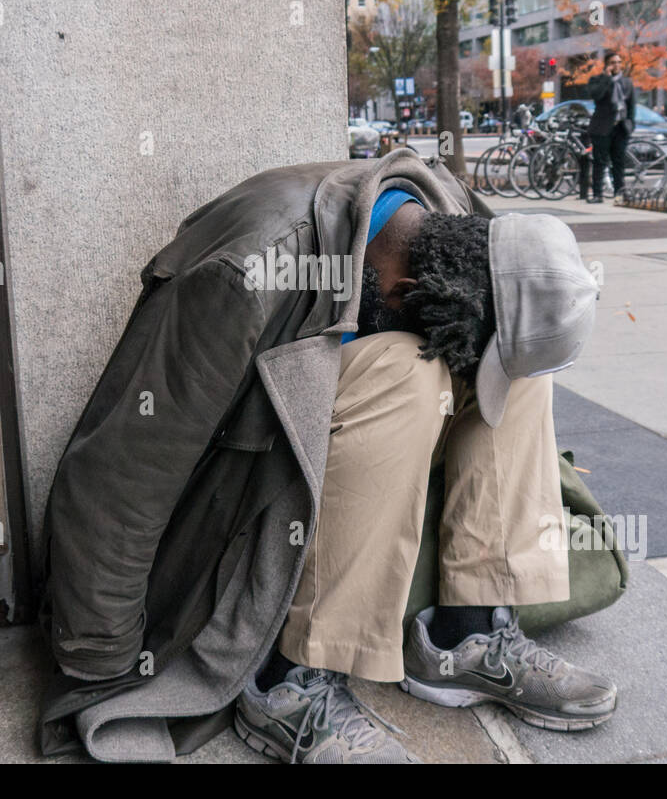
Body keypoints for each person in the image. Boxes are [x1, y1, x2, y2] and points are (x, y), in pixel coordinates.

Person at [38, 151, 616, 764]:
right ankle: (288, 680)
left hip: (342, 452)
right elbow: (122, 468)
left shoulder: (447, 223)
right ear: (408, 291)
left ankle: (465, 633)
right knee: (406, 372)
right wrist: (99, 657)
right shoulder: (248, 275)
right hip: (236, 500)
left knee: (520, 367)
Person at [586, 51, 636, 203]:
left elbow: (631, 106)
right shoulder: (597, 80)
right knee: (600, 163)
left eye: (619, 62)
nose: (617, 65)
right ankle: (597, 194)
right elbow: (597, 96)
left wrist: (631, 124)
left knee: (619, 162)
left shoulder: (627, 82)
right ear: (607, 65)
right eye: (613, 62)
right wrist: (607, 78)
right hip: (602, 128)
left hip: (621, 127)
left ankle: (620, 193)